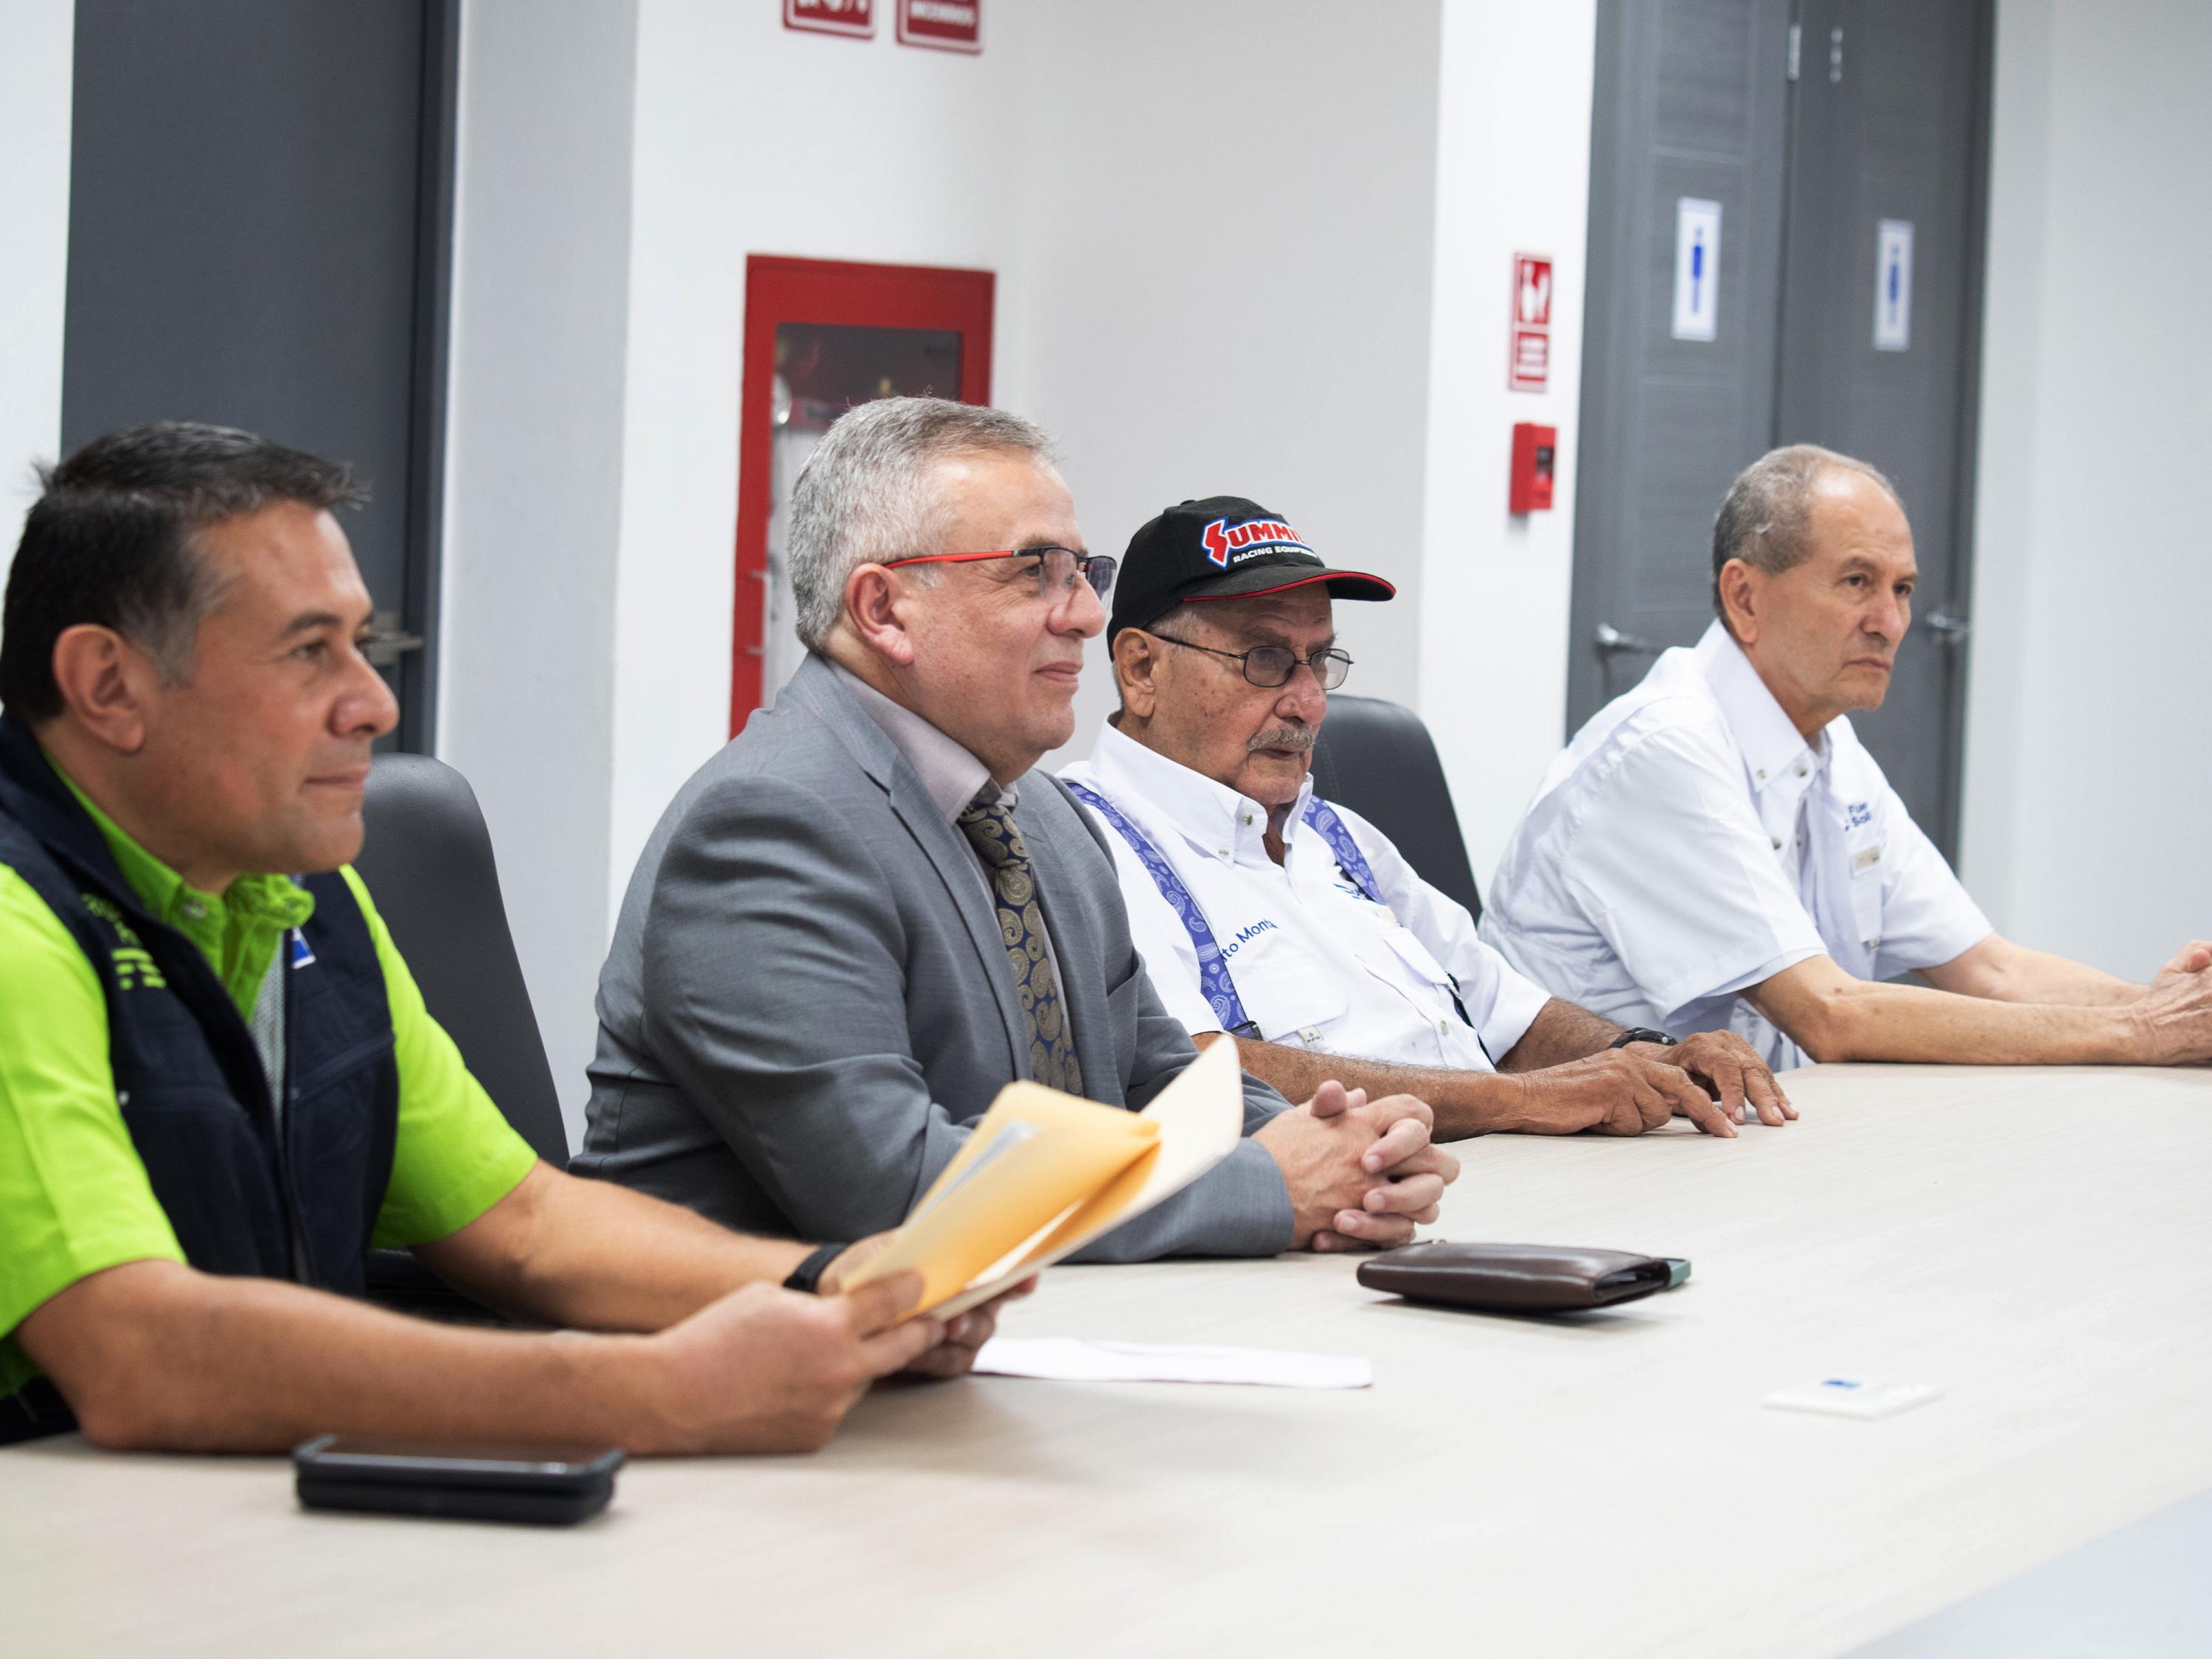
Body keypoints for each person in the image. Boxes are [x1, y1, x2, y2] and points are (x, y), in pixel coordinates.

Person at [0, 422, 1013, 1455]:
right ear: (108, 685)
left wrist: (827, 1284)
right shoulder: (13, 930)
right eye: (310, 652)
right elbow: (136, 1355)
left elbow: (524, 1221)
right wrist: (648, 1391)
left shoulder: (301, 894)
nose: (373, 702)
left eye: (362, 642)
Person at [577, 400, 1458, 1255]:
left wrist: (1345, 1150)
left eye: (1083, 572)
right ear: (885, 611)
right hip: (766, 1375)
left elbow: (1155, 1079)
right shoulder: (768, 826)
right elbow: (891, 1187)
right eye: (1034, 572)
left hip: (1019, 1337)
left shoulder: (1039, 812)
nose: (1082, 614)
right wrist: (1272, 1188)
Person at [1060, 495, 1789, 1141]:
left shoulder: (1339, 837)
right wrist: (1518, 1101)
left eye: (1320, 660)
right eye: (1265, 660)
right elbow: (1194, 1066)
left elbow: (1513, 1015)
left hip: (1509, 1178)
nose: (1309, 702)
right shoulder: (1087, 844)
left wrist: (1653, 1056)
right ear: (1142, 670)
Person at [1481, 444, 2212, 1069]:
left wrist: (2167, 1005)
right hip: (1592, 1163)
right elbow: (1829, 1015)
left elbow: (1992, 968)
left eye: (1903, 590)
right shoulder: (1665, 748)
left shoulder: (1829, 747)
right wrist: (2140, 1032)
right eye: (1858, 582)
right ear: (1745, 597)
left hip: (1732, 1141)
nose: (1890, 623)